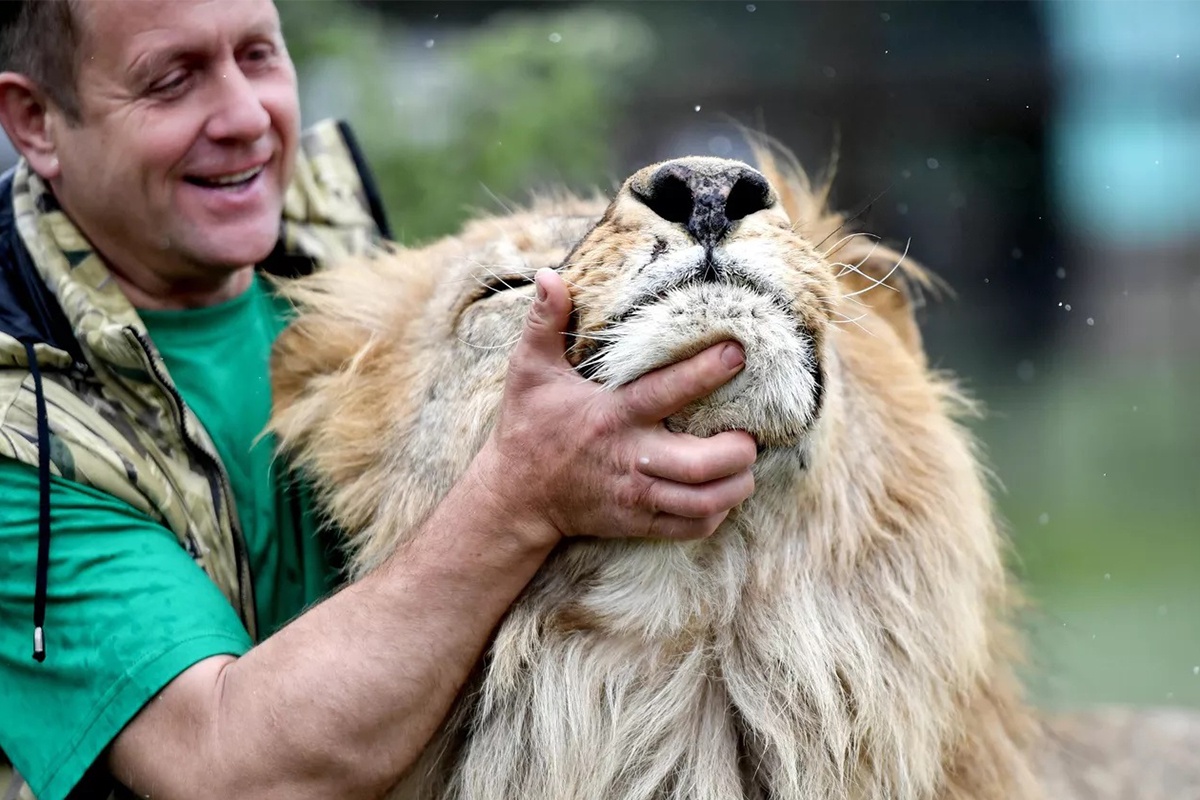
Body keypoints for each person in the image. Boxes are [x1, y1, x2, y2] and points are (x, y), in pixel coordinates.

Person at [0, 1, 758, 798]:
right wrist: (522, 494)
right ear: (36, 120)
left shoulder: (338, 245)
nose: (245, 116)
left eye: (258, 54)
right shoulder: (19, 427)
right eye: (172, 80)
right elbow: (232, 771)